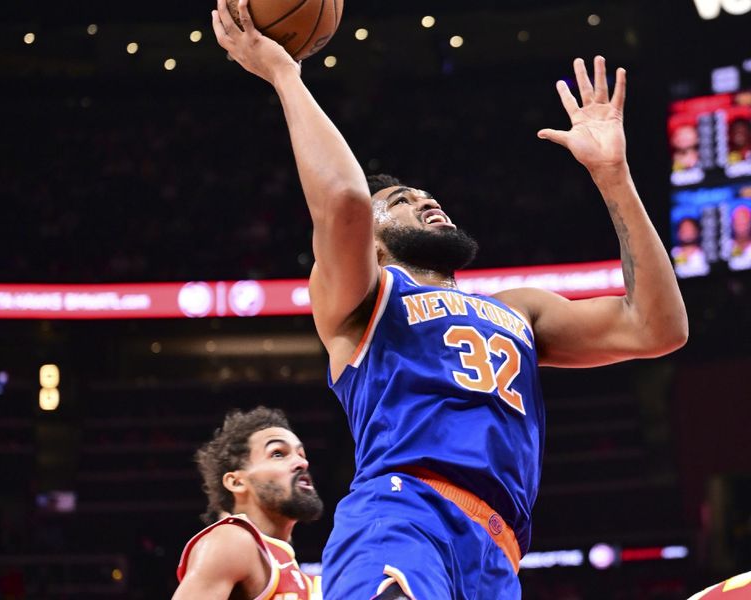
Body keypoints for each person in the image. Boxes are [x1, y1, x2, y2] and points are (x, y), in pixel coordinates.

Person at [211, 2, 689, 597]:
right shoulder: (365, 296)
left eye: (427, 195)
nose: (426, 203)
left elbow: (657, 328)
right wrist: (286, 75)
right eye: (403, 201)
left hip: (497, 553)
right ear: (375, 245)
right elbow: (345, 203)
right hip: (403, 519)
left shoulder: (521, 309)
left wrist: (614, 177)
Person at [172, 406, 324, 600]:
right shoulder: (233, 540)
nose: (302, 463)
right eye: (278, 453)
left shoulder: (305, 579)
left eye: (301, 454)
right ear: (236, 482)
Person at [728, 204, 751, 271]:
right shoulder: (726, 246)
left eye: (745, 222)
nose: (742, 227)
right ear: (732, 224)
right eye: (738, 222)